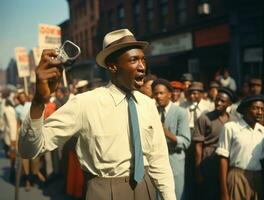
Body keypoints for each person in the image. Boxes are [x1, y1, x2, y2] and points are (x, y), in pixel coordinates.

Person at [18, 29, 175, 200]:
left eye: (143, 59)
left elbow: (159, 159)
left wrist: (169, 197)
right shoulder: (84, 104)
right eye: (133, 60)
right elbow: (28, 149)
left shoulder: (148, 104)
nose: (142, 66)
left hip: (147, 189)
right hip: (105, 192)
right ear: (113, 66)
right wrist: (39, 100)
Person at [216, 95, 264, 200]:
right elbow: (223, 159)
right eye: (255, 108)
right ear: (245, 110)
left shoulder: (263, 132)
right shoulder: (231, 128)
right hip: (236, 177)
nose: (260, 112)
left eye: (262, 109)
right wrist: (224, 192)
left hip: (257, 179)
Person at [193, 87, 235, 200]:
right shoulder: (205, 118)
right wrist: (198, 171)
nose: (218, 103)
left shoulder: (234, 120)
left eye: (222, 101)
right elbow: (198, 146)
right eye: (217, 100)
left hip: (228, 163)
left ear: (229, 103)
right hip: (209, 162)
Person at [152, 79, 190, 200]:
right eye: (155, 93)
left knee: (176, 195)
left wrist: (166, 132)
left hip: (175, 161)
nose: (158, 96)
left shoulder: (181, 113)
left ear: (169, 94)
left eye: (161, 93)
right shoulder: (152, 112)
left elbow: (185, 141)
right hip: (156, 162)